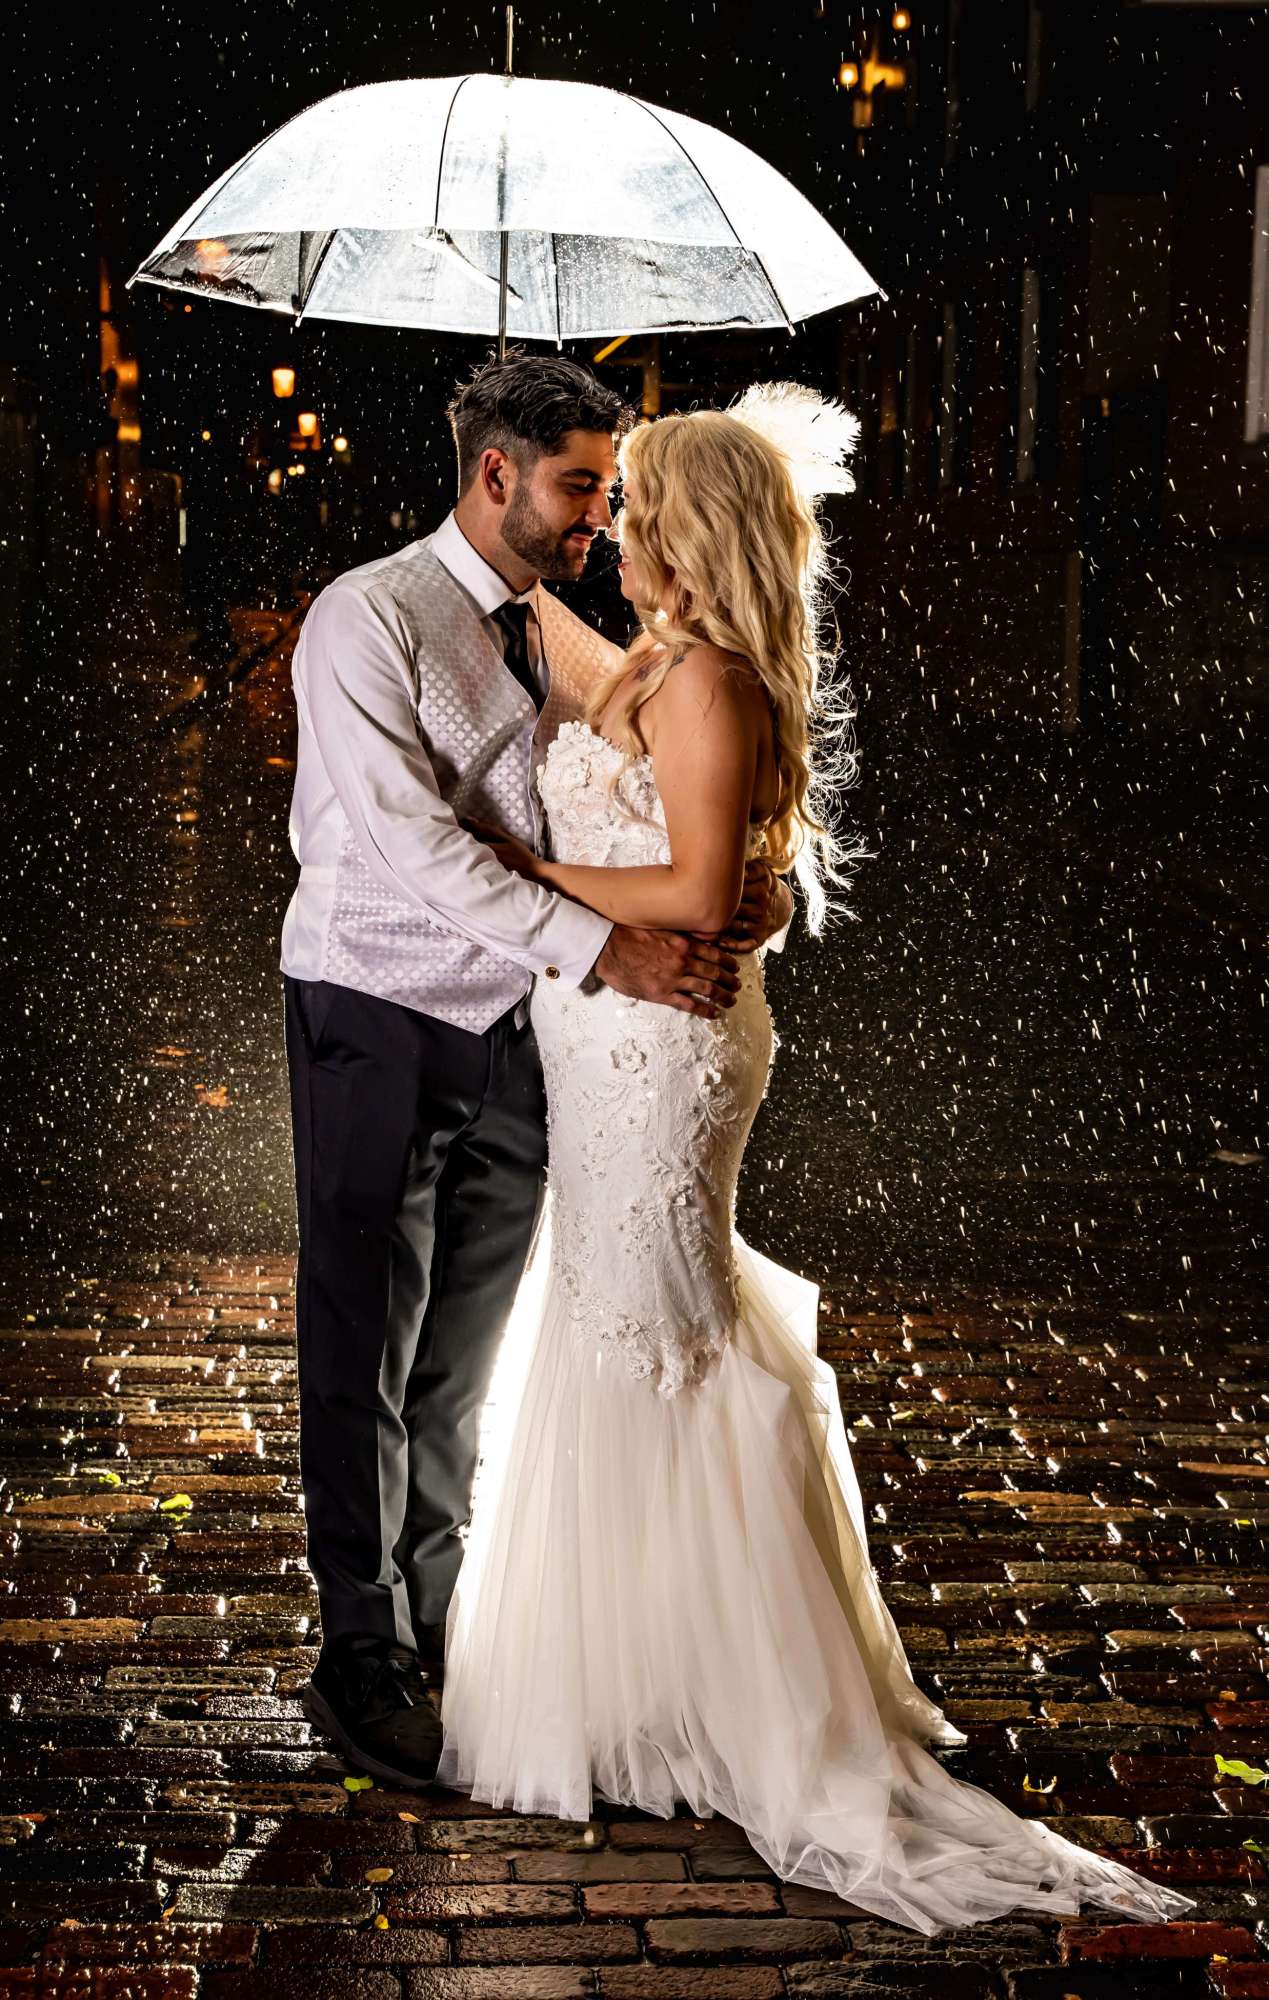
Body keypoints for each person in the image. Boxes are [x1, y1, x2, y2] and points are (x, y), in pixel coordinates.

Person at [432, 384, 1200, 1937]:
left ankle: (753, 1699)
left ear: (690, 534)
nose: (612, 533)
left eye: (635, 512)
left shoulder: (711, 679)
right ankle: (640, 1680)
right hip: (600, 1039)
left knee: (662, 1332)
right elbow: (545, 642)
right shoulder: (652, 657)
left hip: (664, 1047)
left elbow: (694, 887)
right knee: (608, 1318)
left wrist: (515, 864)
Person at [280, 353, 793, 1791]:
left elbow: (666, 793)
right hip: (375, 1009)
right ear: (494, 473)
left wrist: (742, 894)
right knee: (363, 1339)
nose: (598, 517)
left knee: (461, 1351)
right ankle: (358, 1648)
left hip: (522, 1033)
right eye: (578, 487)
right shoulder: (367, 617)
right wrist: (606, 947)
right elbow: (409, 845)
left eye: (609, 492)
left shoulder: (556, 629)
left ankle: (442, 1610)